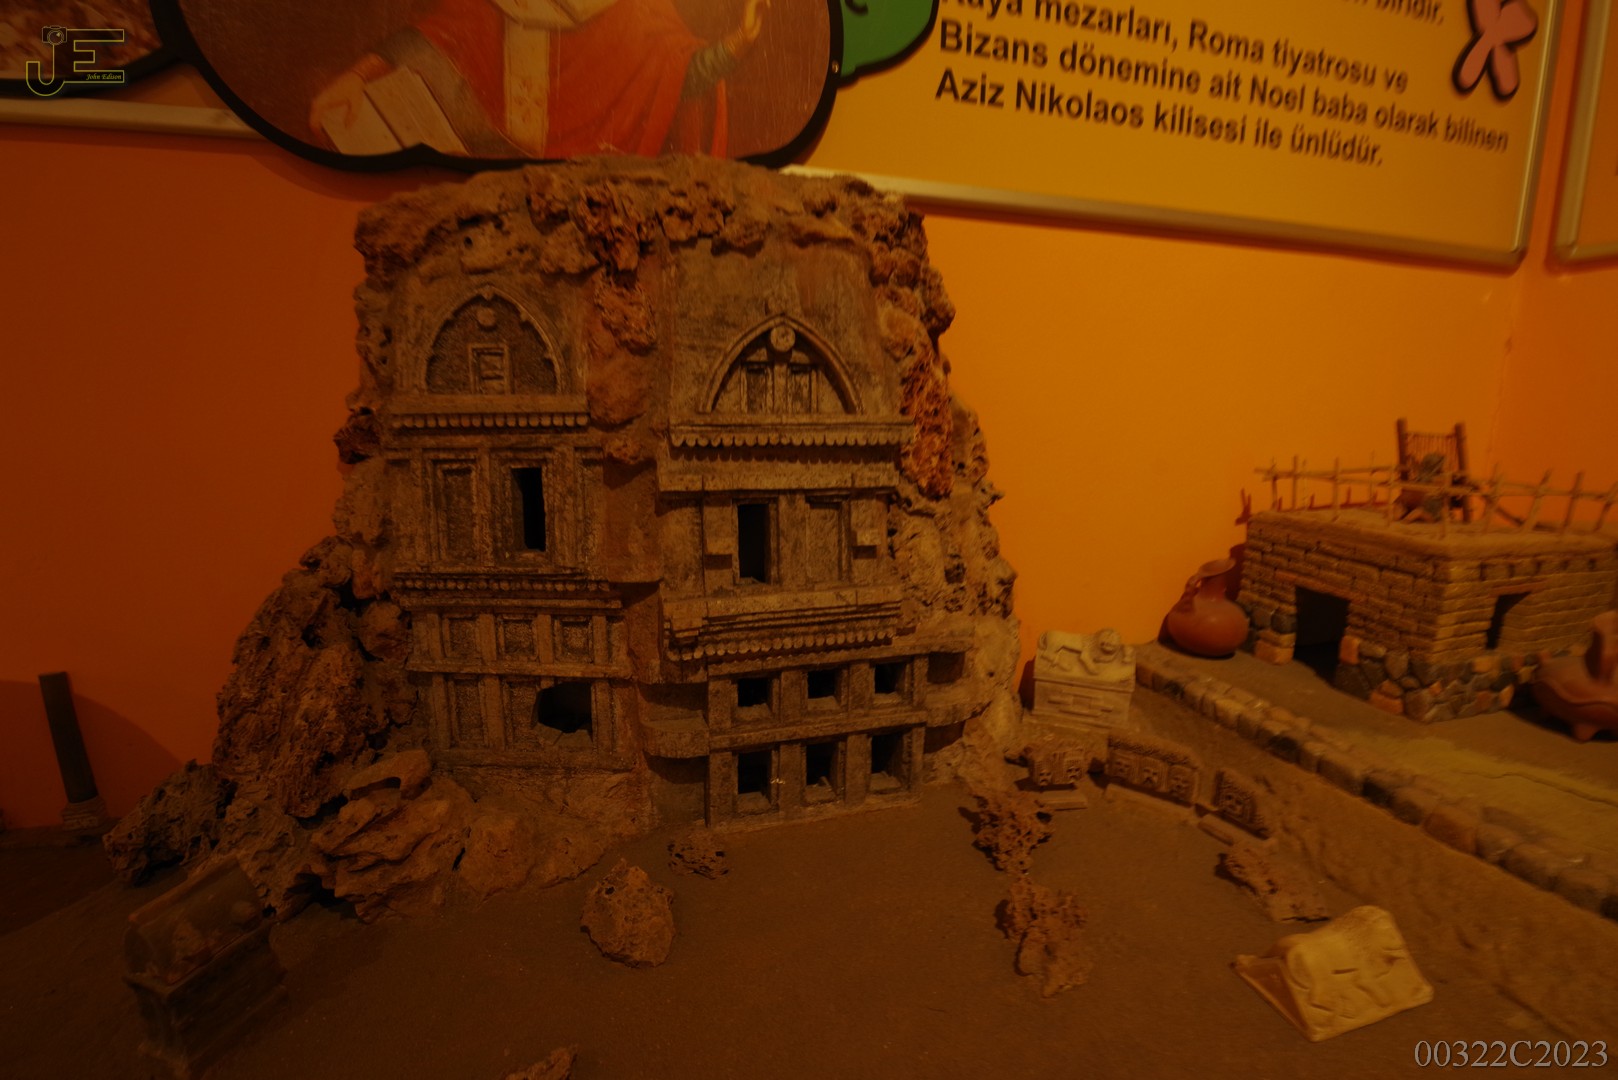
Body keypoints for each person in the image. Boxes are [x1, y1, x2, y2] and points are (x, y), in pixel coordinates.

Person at [310, 0, 768, 158]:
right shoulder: (494, 5)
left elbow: (677, 77)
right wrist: (358, 76)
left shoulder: (636, 9)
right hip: (483, 182)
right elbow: (436, 37)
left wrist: (737, 45)